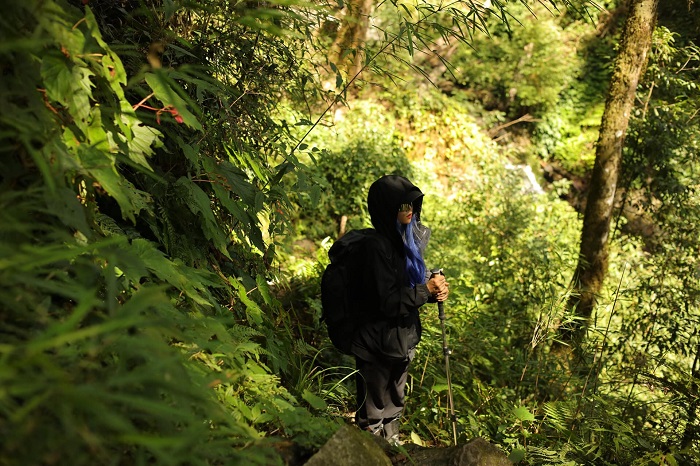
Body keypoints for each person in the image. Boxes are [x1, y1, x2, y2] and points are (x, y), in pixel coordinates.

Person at [351, 175, 449, 444]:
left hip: (402, 340)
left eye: (411, 206)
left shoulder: (406, 244)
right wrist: (425, 290)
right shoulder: (375, 248)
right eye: (401, 207)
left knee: (395, 402)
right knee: (372, 411)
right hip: (376, 342)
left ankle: (393, 446)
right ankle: (369, 451)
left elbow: (410, 290)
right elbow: (388, 301)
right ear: (385, 209)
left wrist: (433, 290)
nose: (408, 212)